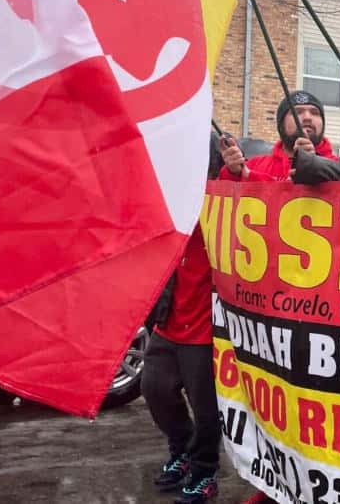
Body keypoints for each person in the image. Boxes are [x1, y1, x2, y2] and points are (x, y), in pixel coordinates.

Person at [142, 153, 223, 504]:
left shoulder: (222, 207)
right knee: (154, 390)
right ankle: (182, 450)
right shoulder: (171, 204)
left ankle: (205, 472)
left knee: (207, 411)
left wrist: (237, 170)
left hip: (203, 333)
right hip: (169, 323)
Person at [219, 90, 337, 182]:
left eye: (315, 113)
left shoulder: (339, 168)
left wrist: (318, 166)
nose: (307, 117)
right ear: (281, 125)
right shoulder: (254, 166)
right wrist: (232, 172)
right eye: (297, 112)